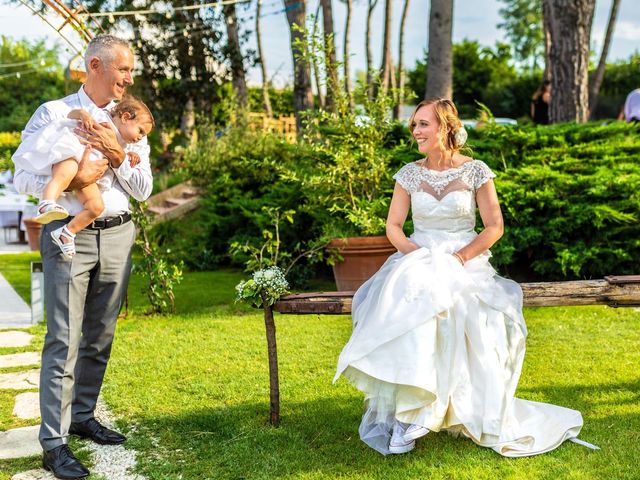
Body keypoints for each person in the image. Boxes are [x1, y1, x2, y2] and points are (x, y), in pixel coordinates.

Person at [334, 98, 596, 457]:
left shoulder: (476, 171)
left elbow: (494, 226)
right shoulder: (409, 174)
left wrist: (459, 257)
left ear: (445, 127)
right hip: (420, 255)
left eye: (423, 124)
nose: (415, 131)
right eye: (414, 125)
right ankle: (411, 410)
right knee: (409, 303)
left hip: (465, 258)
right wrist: (417, 256)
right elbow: (393, 227)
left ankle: (431, 411)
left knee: (458, 307)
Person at [13, 34, 152, 480]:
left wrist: (116, 155)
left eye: (131, 71)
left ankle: (84, 416)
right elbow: (21, 178)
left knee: (99, 335)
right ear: (96, 65)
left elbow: (144, 190)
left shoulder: (130, 119)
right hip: (68, 233)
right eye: (124, 70)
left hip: (118, 234)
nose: (129, 79)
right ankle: (54, 442)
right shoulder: (54, 113)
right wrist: (73, 182)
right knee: (63, 337)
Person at [12, 97, 153, 257]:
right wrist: (82, 114)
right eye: (140, 131)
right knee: (65, 172)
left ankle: (67, 233)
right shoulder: (101, 118)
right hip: (72, 156)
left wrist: (128, 155)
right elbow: (72, 116)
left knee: (96, 207)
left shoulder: (124, 143)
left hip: (91, 181)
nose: (141, 137)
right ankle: (47, 202)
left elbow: (118, 156)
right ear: (126, 117)